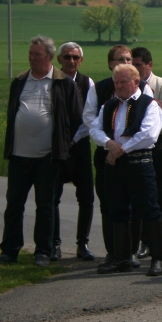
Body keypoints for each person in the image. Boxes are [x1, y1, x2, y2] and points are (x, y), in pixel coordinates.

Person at [0, 36, 83, 267]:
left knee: (45, 207)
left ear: (50, 57)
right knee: (14, 205)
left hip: (47, 158)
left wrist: (63, 144)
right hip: (18, 155)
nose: (32, 58)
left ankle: (42, 252)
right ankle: (9, 252)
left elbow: (76, 118)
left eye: (38, 54)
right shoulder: (20, 80)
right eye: (31, 54)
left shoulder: (63, 83)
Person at [90, 64, 162, 276]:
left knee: (149, 209)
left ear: (136, 82)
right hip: (115, 164)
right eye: (116, 83)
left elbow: (148, 134)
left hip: (139, 163)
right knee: (117, 210)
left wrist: (121, 149)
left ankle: (158, 259)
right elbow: (95, 128)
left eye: (124, 82)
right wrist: (108, 143)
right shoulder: (109, 106)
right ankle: (122, 258)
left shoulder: (150, 104)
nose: (120, 86)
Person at [83, 44, 153, 268]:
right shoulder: (99, 88)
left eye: (129, 59)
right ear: (110, 63)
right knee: (109, 204)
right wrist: (108, 143)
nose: (125, 63)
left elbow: (145, 121)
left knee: (134, 206)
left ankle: (130, 251)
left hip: (132, 154)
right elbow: (90, 118)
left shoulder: (144, 88)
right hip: (106, 153)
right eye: (120, 59)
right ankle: (113, 252)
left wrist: (121, 148)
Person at [131, 47, 162, 262]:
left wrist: (142, 130)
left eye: (138, 65)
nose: (135, 68)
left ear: (149, 65)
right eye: (132, 64)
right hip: (136, 147)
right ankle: (145, 243)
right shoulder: (128, 86)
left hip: (158, 145)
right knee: (141, 196)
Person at [52, 42, 95, 261]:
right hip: (55, 147)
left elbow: (91, 116)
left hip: (80, 146)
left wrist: (73, 139)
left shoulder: (88, 83)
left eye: (75, 57)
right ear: (59, 59)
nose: (71, 61)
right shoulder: (51, 81)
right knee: (52, 197)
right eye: (67, 57)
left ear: (81, 60)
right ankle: (54, 244)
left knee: (86, 197)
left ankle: (82, 244)